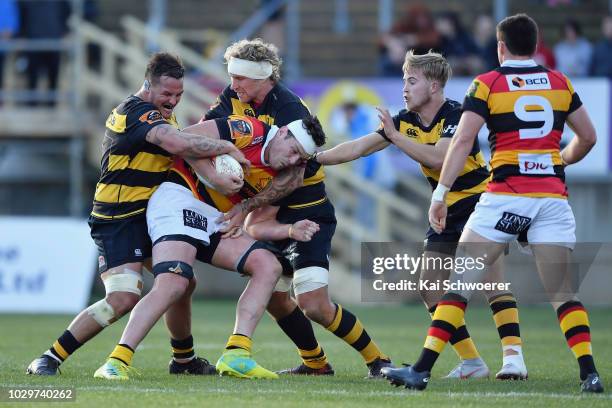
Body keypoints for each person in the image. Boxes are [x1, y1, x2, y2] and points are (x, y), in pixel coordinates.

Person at [381, 14, 604, 394]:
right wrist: (559, 161)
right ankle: (590, 374)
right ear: (535, 45)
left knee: (459, 283)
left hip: (504, 196)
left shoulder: (488, 83)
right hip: (551, 197)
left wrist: (440, 193)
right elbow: (588, 138)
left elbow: (464, 140)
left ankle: (421, 370)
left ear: (500, 47)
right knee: (563, 292)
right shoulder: (560, 83)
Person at [26, 52, 248, 377]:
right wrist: (226, 148)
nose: (172, 101)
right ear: (148, 85)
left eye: (178, 95)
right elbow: (173, 142)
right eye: (167, 94)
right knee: (123, 297)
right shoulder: (136, 113)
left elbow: (183, 147)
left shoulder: (163, 116)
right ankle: (49, 358)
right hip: (117, 218)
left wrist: (216, 177)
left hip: (146, 216)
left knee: (181, 281)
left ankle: (183, 361)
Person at [315, 50, 526, 380]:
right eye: (403, 81)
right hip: (445, 209)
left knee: (491, 281)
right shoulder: (405, 120)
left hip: (481, 202)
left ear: (435, 86)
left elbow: (441, 159)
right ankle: (472, 362)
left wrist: (396, 138)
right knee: (429, 286)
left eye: (412, 81)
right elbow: (357, 147)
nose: (404, 88)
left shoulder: (457, 114)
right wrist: (315, 159)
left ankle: (514, 359)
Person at [207, 38, 393, 377]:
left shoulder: (289, 108)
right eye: (232, 77)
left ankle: (378, 361)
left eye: (242, 78)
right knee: (276, 296)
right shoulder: (233, 96)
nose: (234, 84)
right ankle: (316, 363)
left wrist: (246, 203)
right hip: (270, 212)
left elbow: (292, 178)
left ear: (264, 77)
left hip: (307, 211)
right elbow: (209, 132)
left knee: (314, 305)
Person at [93, 113, 326, 380]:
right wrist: (215, 173)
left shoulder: (287, 173)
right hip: (179, 198)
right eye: (294, 151)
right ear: (283, 131)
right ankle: (117, 361)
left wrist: (244, 208)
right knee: (174, 283)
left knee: (268, 265)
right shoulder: (249, 130)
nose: (293, 160)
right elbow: (185, 140)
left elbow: (260, 210)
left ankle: (237, 354)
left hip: (214, 217)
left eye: (301, 159)